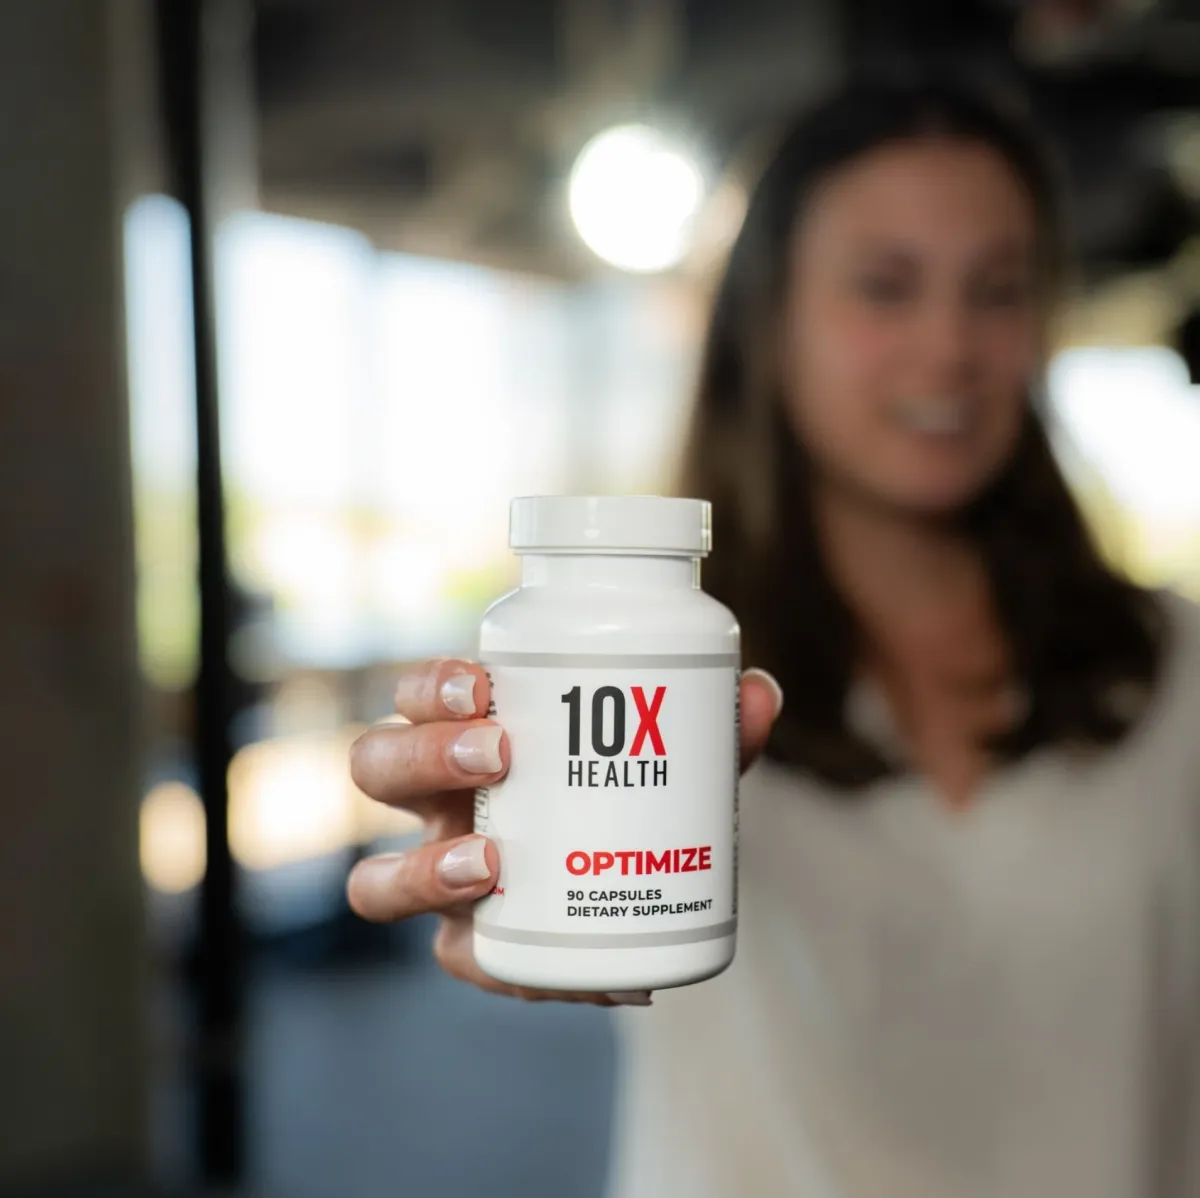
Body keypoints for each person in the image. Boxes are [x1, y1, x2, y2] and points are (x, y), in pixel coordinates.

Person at [344, 76, 1200, 1197]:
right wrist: (485, 883)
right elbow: (536, 889)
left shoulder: (1177, 664)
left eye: (997, 290)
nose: (949, 345)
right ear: (768, 322)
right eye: (884, 287)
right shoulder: (638, 659)